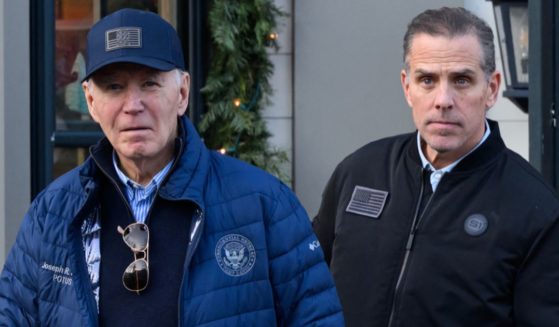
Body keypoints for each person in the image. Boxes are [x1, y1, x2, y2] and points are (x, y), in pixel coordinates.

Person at [0, 8, 343, 326]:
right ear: (91, 101)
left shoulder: (264, 203)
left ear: (182, 93)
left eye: (150, 83)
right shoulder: (53, 213)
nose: (132, 105)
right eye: (114, 87)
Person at [313, 6, 559, 327]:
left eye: (461, 80)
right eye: (427, 79)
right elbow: (306, 288)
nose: (443, 99)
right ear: (407, 87)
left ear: (492, 89)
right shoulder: (358, 171)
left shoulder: (534, 208)